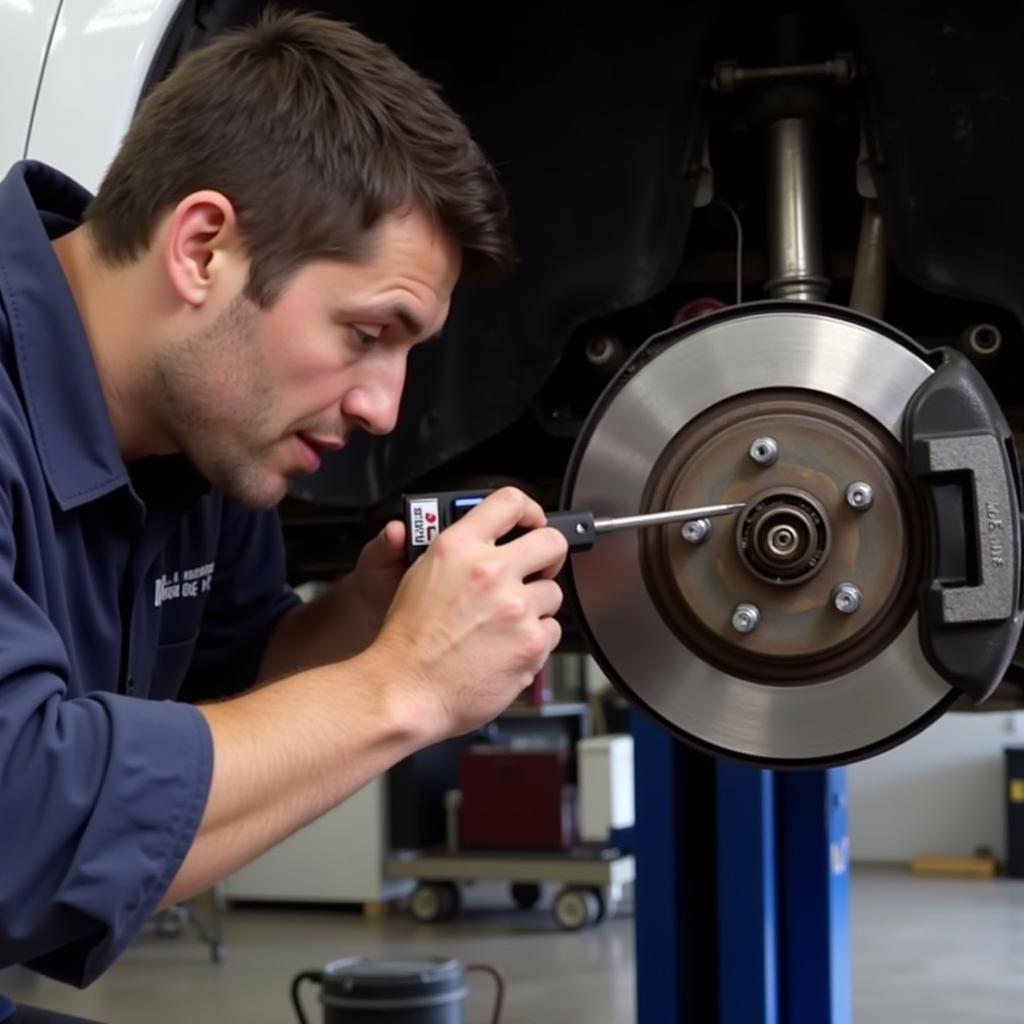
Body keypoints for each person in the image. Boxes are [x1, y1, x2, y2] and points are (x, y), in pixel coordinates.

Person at [0, 10, 568, 1018]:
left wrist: (366, 627)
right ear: (204, 248)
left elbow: (232, 708)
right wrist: (403, 687)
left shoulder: (203, 438)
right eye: (366, 332)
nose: (383, 406)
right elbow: (21, 832)